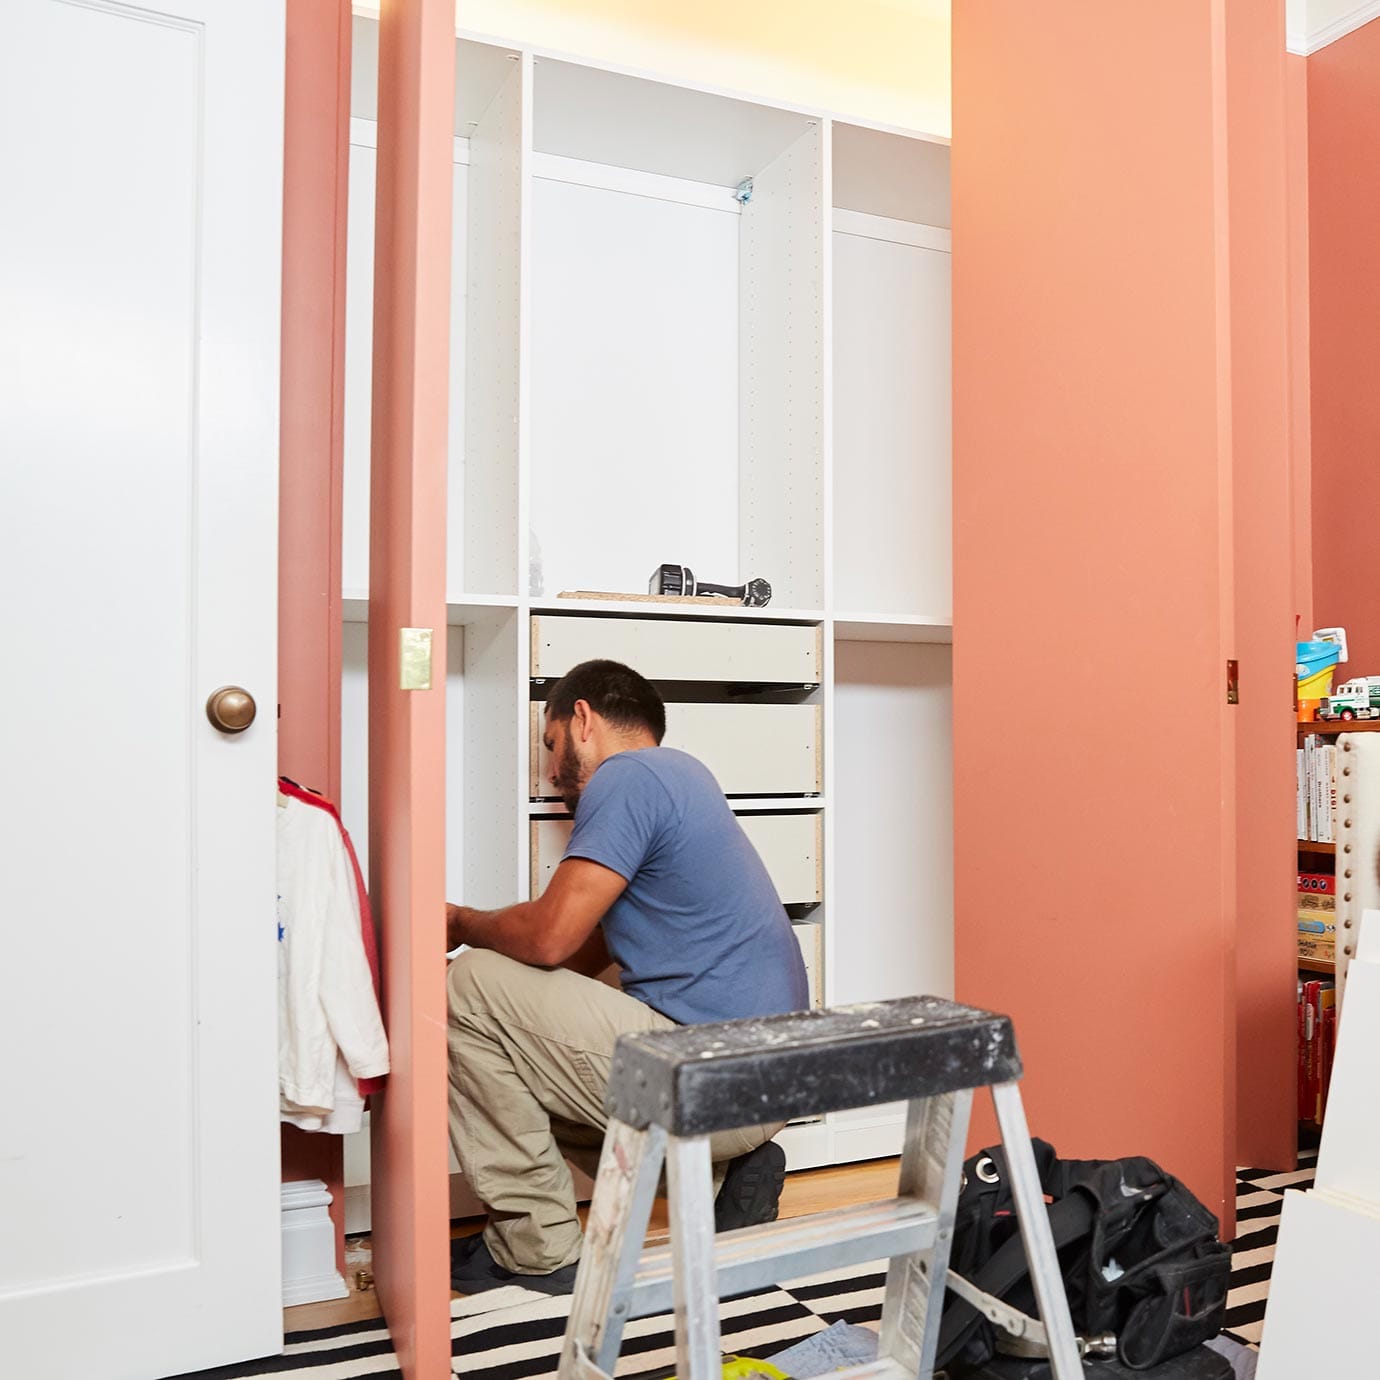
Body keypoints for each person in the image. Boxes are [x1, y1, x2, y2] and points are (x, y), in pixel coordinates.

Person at [445, 658, 810, 1295]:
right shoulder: (683, 778)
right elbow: (568, 957)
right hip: (757, 1083)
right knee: (510, 1048)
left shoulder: (629, 776)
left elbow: (551, 935)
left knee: (464, 986)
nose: (553, 774)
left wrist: (454, 922)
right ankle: (720, 1183)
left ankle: (537, 1250)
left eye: (552, 746)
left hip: (715, 1076)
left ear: (582, 719)